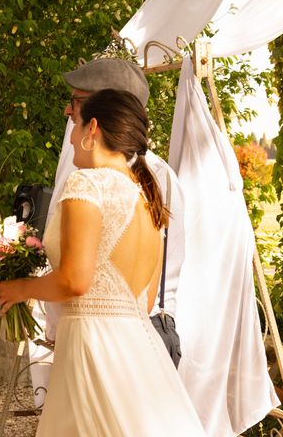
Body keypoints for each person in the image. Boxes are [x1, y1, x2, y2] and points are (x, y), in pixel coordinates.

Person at [0, 89, 205, 435]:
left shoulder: (86, 184)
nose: (72, 138)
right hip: (139, 349)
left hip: (92, 348)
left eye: (74, 125)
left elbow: (74, 281)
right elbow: (146, 299)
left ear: (92, 128)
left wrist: (19, 288)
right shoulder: (146, 198)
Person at [46, 57, 185, 367]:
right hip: (104, 335)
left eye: (77, 101)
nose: (68, 110)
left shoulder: (145, 177)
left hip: (130, 338)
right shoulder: (92, 170)